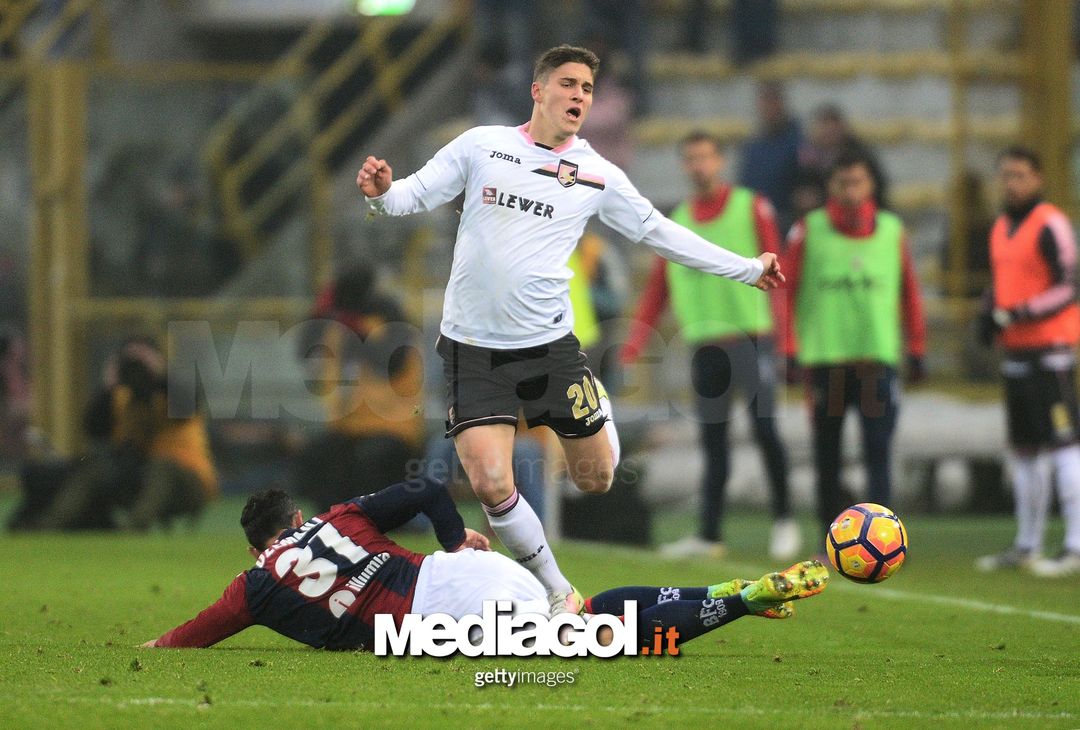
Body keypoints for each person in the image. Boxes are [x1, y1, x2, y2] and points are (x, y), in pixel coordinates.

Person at [355, 44, 784, 615]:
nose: (580, 96)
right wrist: (383, 193)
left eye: (587, 88)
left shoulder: (596, 174)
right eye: (569, 84)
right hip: (472, 351)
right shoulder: (483, 145)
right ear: (538, 91)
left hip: (549, 351)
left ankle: (595, 403)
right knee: (489, 485)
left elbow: (660, 233)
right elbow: (415, 192)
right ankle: (559, 591)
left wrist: (748, 269)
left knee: (598, 478)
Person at [142, 479, 828, 651]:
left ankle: (740, 601)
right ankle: (725, 591)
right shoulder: (340, 516)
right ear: (296, 521)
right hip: (460, 577)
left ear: (258, 543)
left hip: (446, 619)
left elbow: (196, 632)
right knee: (581, 613)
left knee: (603, 644)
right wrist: (450, 538)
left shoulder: (255, 586)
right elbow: (425, 489)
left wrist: (157, 644)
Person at [622, 131, 797, 560]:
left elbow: (779, 272)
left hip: (750, 337)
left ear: (719, 161)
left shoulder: (750, 207)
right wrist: (634, 342)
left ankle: (785, 520)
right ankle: (710, 534)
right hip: (704, 346)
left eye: (705, 157)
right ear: (684, 165)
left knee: (765, 430)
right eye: (691, 158)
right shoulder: (674, 220)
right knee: (713, 441)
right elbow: (658, 289)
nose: (699, 165)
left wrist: (787, 339)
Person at [784, 150, 926, 535]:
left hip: (875, 359)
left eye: (857, 182)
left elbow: (909, 292)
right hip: (826, 361)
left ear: (871, 185)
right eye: (843, 183)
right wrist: (790, 349)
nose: (850, 191)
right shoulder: (808, 230)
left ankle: (882, 539)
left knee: (877, 452)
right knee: (827, 457)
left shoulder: (893, 231)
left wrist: (916, 347)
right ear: (830, 186)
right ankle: (828, 540)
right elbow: (786, 292)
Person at [974, 146, 1080, 578]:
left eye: (1019, 175)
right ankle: (1027, 544)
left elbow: (1069, 287)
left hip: (1050, 352)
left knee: (1065, 445)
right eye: (1005, 175)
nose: (1011, 183)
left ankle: (1074, 546)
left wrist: (1018, 313)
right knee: (1024, 451)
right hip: (1016, 353)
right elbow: (1001, 283)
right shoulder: (1001, 225)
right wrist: (988, 313)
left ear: (1037, 178)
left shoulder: (1050, 223)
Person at [15, 337, 218, 531]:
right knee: (95, 468)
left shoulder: (171, 394)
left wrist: (159, 374)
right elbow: (92, 427)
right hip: (142, 475)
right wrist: (111, 384)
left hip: (189, 480)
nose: (136, 367)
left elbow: (190, 401)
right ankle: (49, 525)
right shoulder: (121, 396)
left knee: (161, 468)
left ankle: (133, 527)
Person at [294, 264, 424, 512]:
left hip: (396, 427)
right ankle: (330, 523)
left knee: (370, 458)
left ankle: (375, 523)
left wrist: (356, 327)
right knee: (317, 454)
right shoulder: (340, 324)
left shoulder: (388, 320)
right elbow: (305, 350)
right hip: (351, 426)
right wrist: (319, 313)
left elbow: (390, 363)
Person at [739, 81, 802, 235]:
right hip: (757, 219)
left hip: (787, 218)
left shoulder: (799, 143)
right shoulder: (753, 146)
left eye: (772, 101)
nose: (768, 108)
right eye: (764, 102)